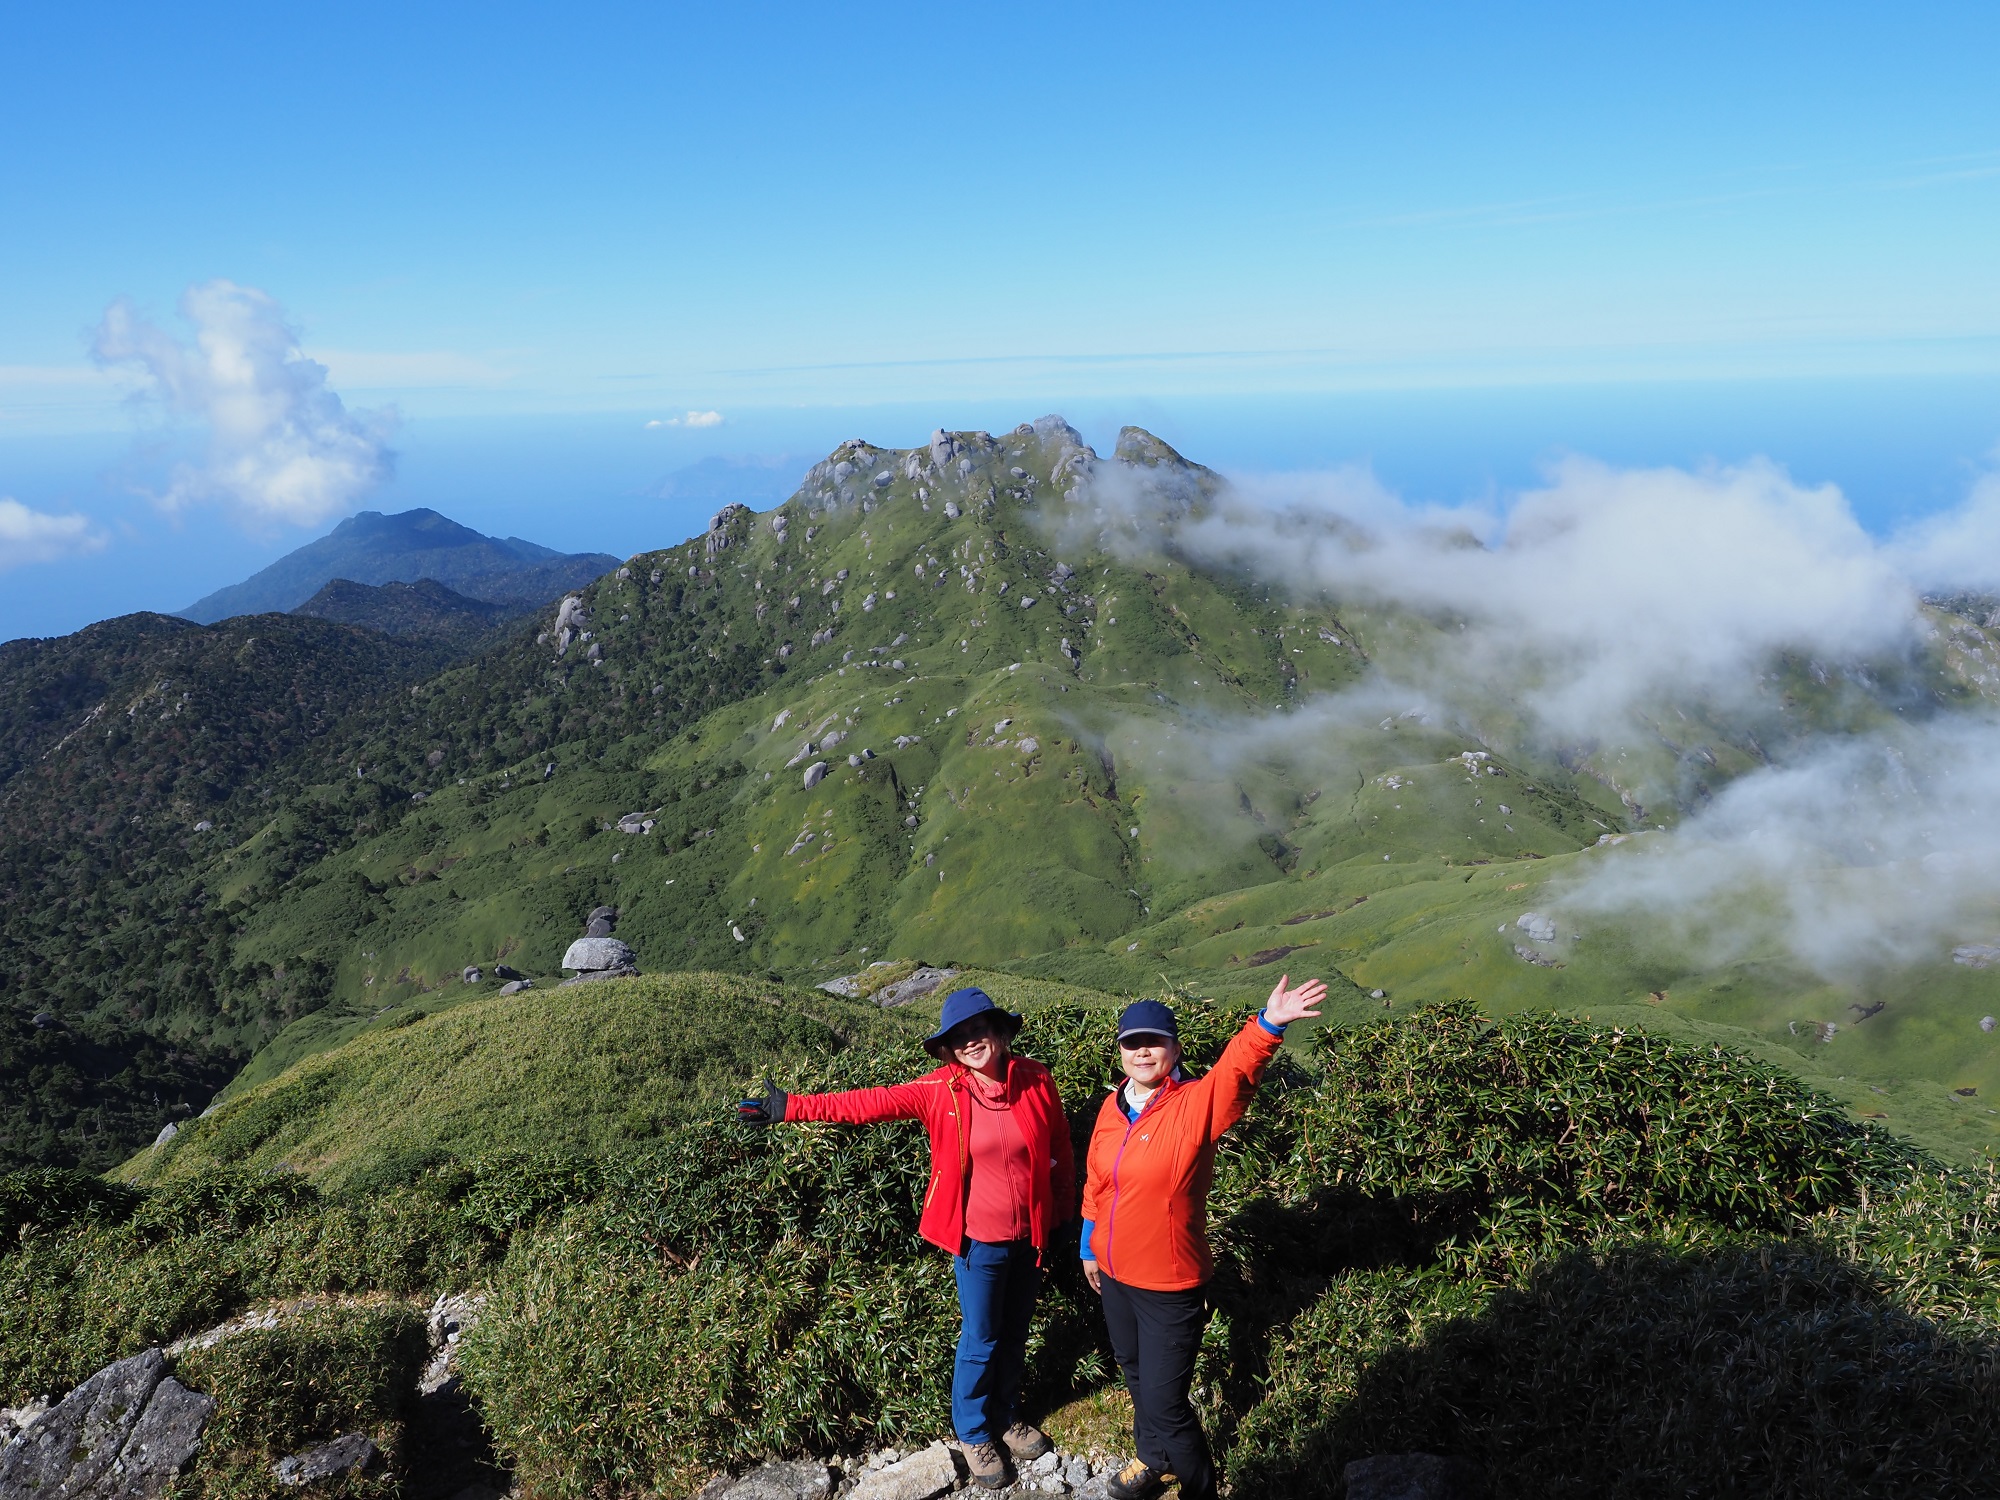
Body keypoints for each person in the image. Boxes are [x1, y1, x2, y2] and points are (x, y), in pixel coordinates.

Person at [737, 986, 1075, 1491]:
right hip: (978, 1241)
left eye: (978, 1029)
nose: (970, 1041)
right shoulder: (942, 1090)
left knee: (1015, 1331)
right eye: (958, 1036)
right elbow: (870, 1103)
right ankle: (973, 1432)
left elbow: (1060, 1145)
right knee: (982, 1337)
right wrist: (793, 1107)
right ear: (948, 1048)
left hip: (1032, 1235)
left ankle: (1007, 1416)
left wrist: (1064, 1211)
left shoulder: (1035, 1077)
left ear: (999, 1031)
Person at [1079, 975, 1327, 1500]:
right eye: (1131, 1042)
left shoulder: (1193, 1105)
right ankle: (1152, 1459)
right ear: (1120, 1051)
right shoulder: (1112, 1107)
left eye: (1154, 1042)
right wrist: (1088, 1245)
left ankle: (1200, 1490)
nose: (1142, 1051)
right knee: (1133, 1371)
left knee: (1166, 1405)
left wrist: (1268, 1025)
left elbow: (1233, 1074)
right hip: (1115, 1275)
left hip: (1168, 1284)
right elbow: (1098, 1183)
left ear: (1174, 1049)